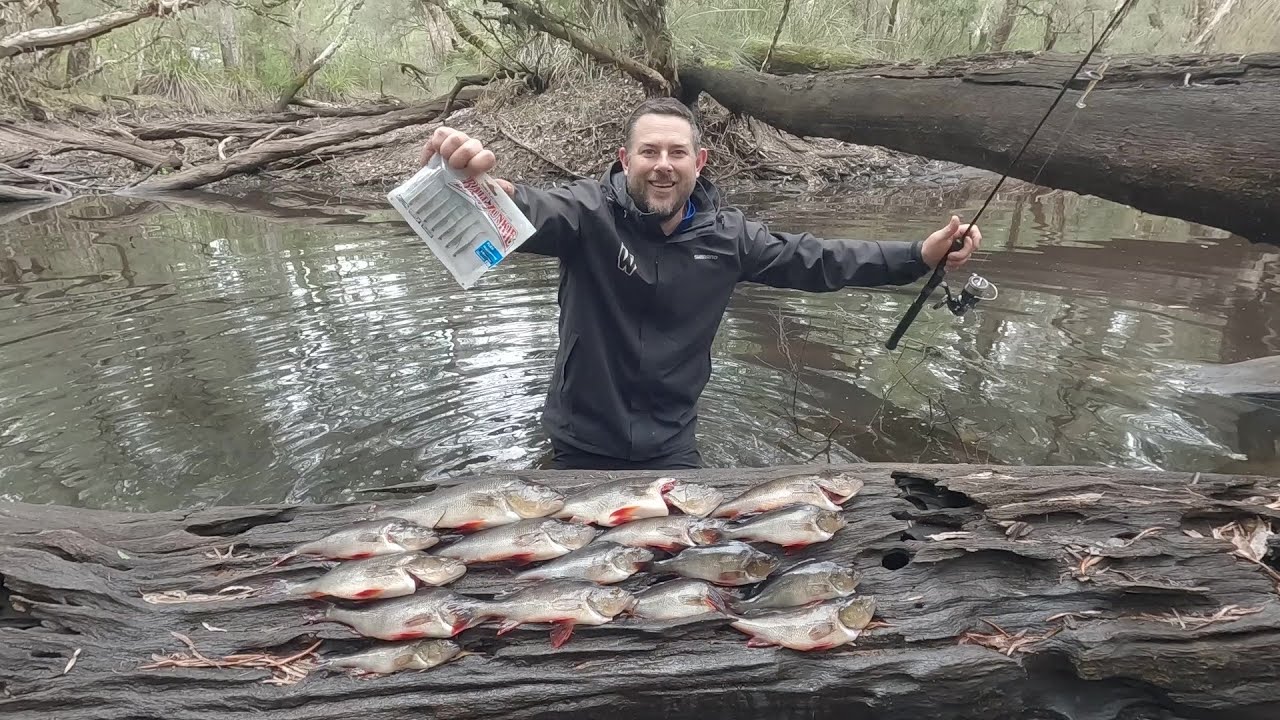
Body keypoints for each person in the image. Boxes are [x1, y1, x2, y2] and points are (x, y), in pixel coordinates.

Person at [417, 97, 980, 471]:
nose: (662, 164)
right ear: (625, 160)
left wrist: (917, 255)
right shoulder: (584, 215)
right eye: (649, 151)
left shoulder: (730, 238)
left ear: (699, 161)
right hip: (579, 445)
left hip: (671, 447)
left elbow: (819, 260)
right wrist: (472, 183)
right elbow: (525, 208)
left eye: (677, 152)